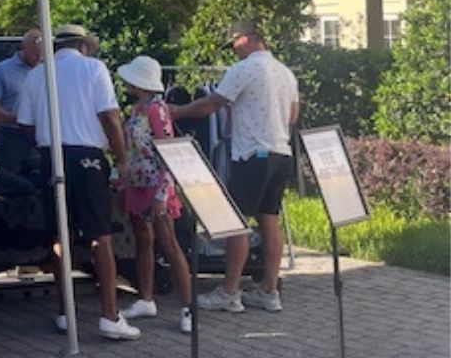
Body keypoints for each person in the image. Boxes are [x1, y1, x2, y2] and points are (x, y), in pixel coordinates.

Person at [17, 23, 140, 340]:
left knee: (60, 236)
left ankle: (65, 311)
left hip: (50, 156)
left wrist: (46, 139)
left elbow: (25, 124)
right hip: (86, 156)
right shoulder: (94, 69)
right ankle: (110, 315)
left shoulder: (37, 74)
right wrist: (121, 159)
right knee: (101, 235)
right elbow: (109, 116)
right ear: (84, 45)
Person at [172, 20, 299, 314]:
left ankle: (230, 292)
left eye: (234, 42)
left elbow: (211, 104)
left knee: (235, 221)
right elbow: (293, 114)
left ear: (249, 38)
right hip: (281, 152)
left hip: (252, 154)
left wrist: (178, 111)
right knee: (269, 220)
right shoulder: (285, 72)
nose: (233, 48)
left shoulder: (242, 69)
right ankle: (269, 290)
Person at [115, 55, 192, 334]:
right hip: (137, 182)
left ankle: (188, 307)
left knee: (168, 243)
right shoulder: (137, 108)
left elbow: (168, 150)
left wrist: (163, 192)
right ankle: (146, 298)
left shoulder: (157, 109)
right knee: (143, 239)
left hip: (156, 183)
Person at [0, 29, 42, 174]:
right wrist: (20, 119)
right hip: (11, 135)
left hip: (39, 135)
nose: (38, 57)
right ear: (23, 47)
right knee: (12, 178)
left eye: (42, 53)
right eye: (34, 53)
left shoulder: (45, 71)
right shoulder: (2, 70)